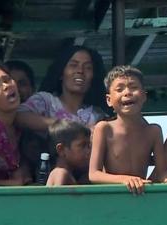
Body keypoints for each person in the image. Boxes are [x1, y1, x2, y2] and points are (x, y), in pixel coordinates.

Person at [89, 65, 167, 195]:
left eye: (133, 87)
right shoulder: (104, 128)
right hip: (113, 197)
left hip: (141, 196)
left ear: (144, 96)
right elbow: (94, 174)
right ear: (109, 100)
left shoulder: (153, 131)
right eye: (119, 89)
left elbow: (162, 174)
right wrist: (126, 179)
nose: (127, 92)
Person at [15, 45, 108, 180]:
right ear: (61, 72)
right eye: (73, 65)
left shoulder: (98, 115)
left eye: (87, 67)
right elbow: (19, 116)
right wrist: (62, 125)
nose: (80, 71)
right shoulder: (46, 101)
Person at [46, 120, 91, 186]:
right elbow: (54, 196)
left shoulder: (75, 176)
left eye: (88, 146)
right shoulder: (60, 173)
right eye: (82, 145)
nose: (88, 151)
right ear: (61, 149)